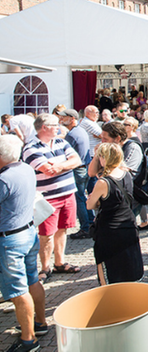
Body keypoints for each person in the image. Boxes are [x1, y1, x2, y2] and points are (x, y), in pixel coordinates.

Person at [0, 135, 48, 352]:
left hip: (10, 238)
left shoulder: (4, 179)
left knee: (19, 291)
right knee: (32, 280)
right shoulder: (26, 168)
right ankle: (40, 323)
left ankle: (28, 340)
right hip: (28, 231)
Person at [23, 114, 82, 282]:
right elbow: (48, 170)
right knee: (46, 234)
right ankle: (44, 267)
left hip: (67, 193)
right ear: (44, 127)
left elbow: (76, 160)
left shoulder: (61, 142)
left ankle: (59, 262)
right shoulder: (31, 148)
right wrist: (66, 164)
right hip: (48, 198)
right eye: (55, 124)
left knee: (63, 229)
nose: (59, 127)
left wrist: (59, 166)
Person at [86, 143, 144, 285]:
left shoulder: (103, 182)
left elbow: (90, 205)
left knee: (108, 269)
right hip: (128, 224)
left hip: (109, 229)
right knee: (129, 266)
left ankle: (109, 295)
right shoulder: (127, 174)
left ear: (104, 158)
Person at [57, 109, 94, 241]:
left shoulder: (72, 134)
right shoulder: (79, 130)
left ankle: (85, 227)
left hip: (78, 169)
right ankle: (90, 222)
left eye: (64, 117)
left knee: (79, 199)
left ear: (72, 119)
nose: (61, 120)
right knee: (83, 198)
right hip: (84, 167)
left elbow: (64, 154)